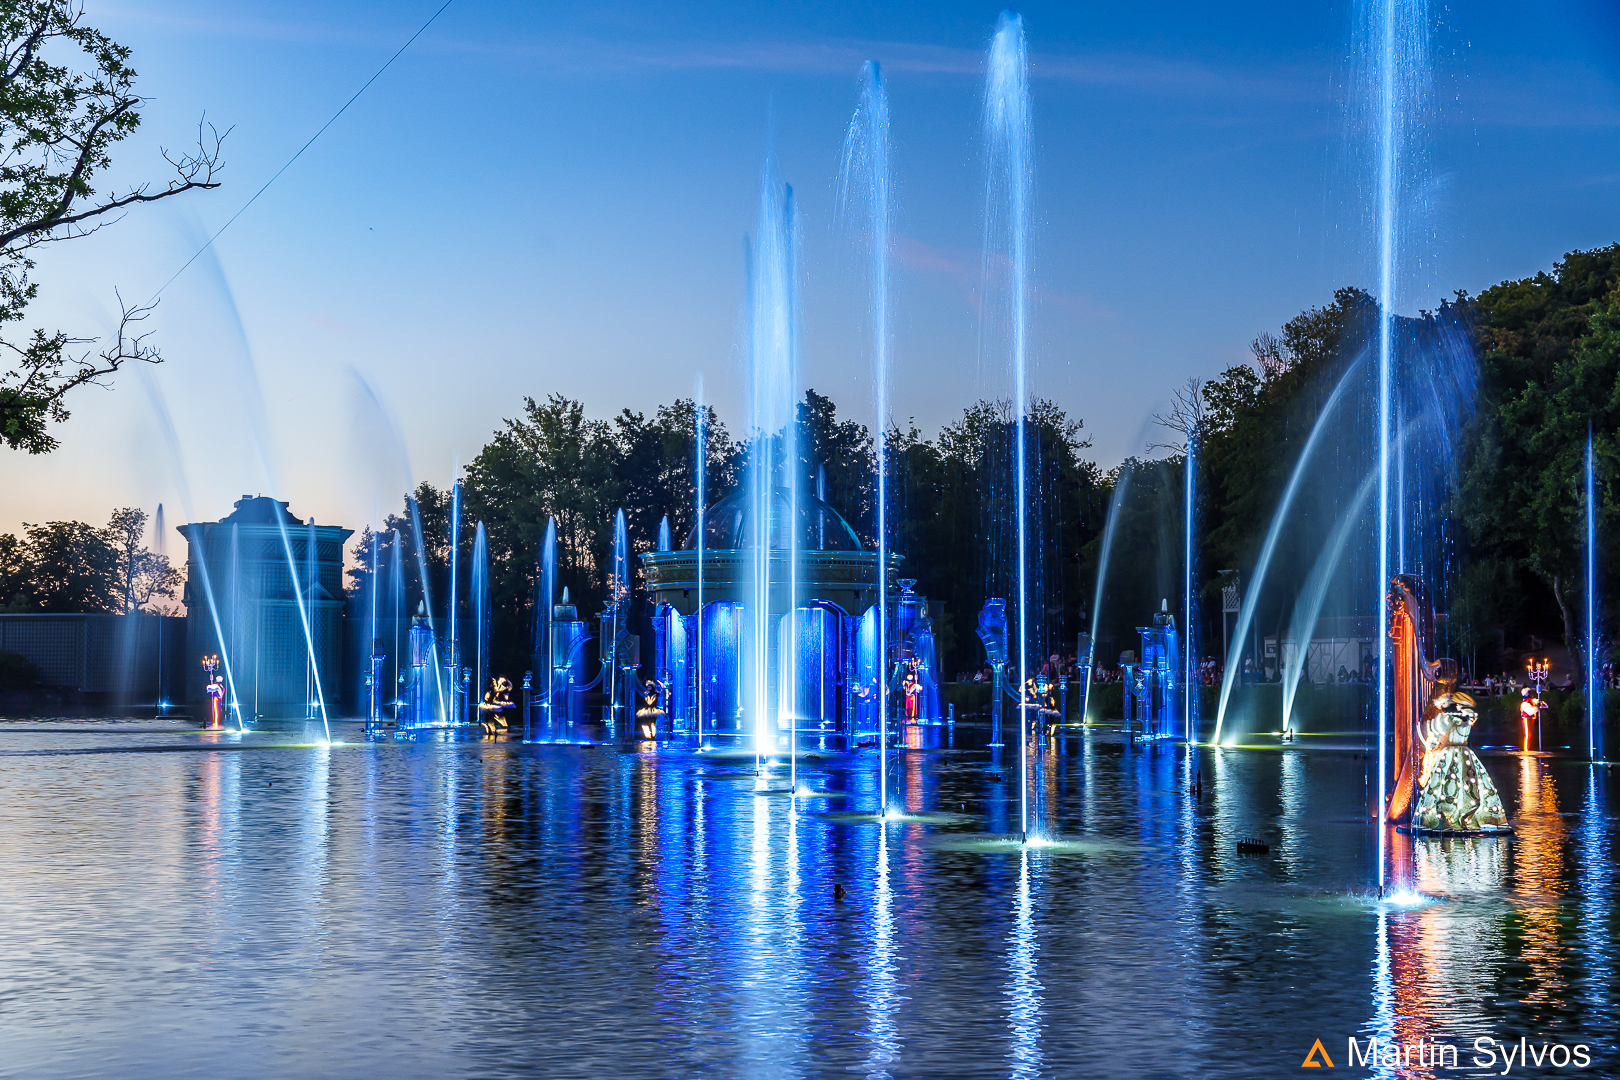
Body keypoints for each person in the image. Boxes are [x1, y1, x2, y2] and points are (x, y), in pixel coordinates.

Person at [1412, 663, 1509, 832]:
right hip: (1464, 753)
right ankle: (1464, 817)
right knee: (1466, 785)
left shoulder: (1450, 719)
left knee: (1453, 785)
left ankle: (1450, 817)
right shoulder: (1462, 718)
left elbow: (1436, 737)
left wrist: (1431, 743)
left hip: (1450, 754)